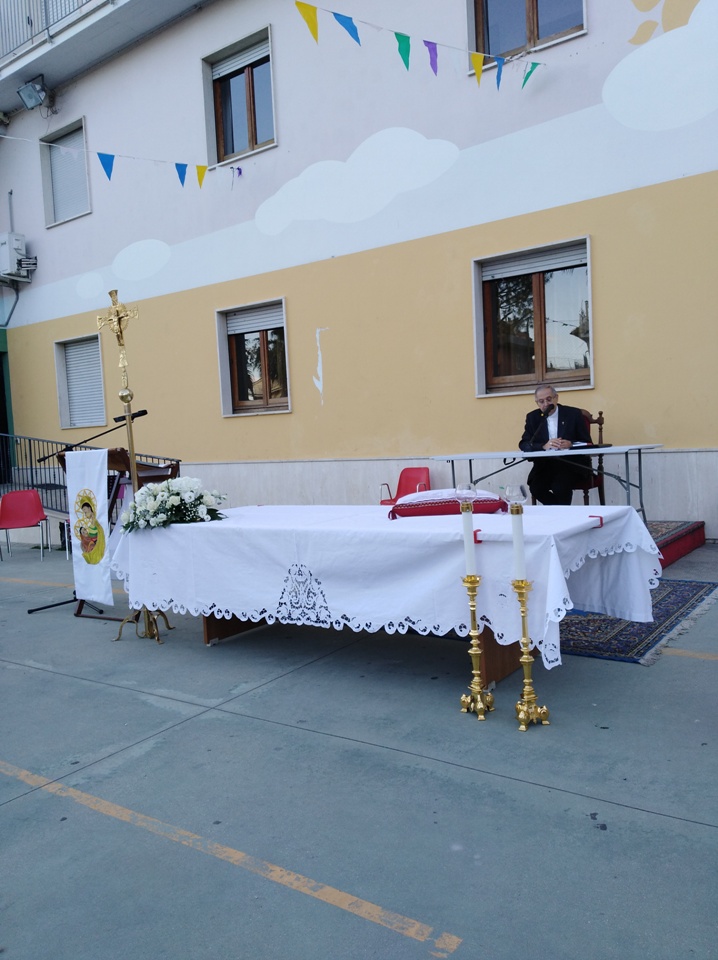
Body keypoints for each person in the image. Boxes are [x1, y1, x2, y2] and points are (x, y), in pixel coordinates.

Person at [519, 384, 592, 505]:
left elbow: (587, 442)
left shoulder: (573, 414)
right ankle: (562, 512)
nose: (546, 404)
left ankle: (561, 513)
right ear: (537, 403)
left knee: (560, 486)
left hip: (571, 463)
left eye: (549, 399)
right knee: (536, 487)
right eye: (541, 401)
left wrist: (570, 444)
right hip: (545, 465)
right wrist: (543, 446)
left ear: (556, 398)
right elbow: (524, 444)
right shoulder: (533, 417)